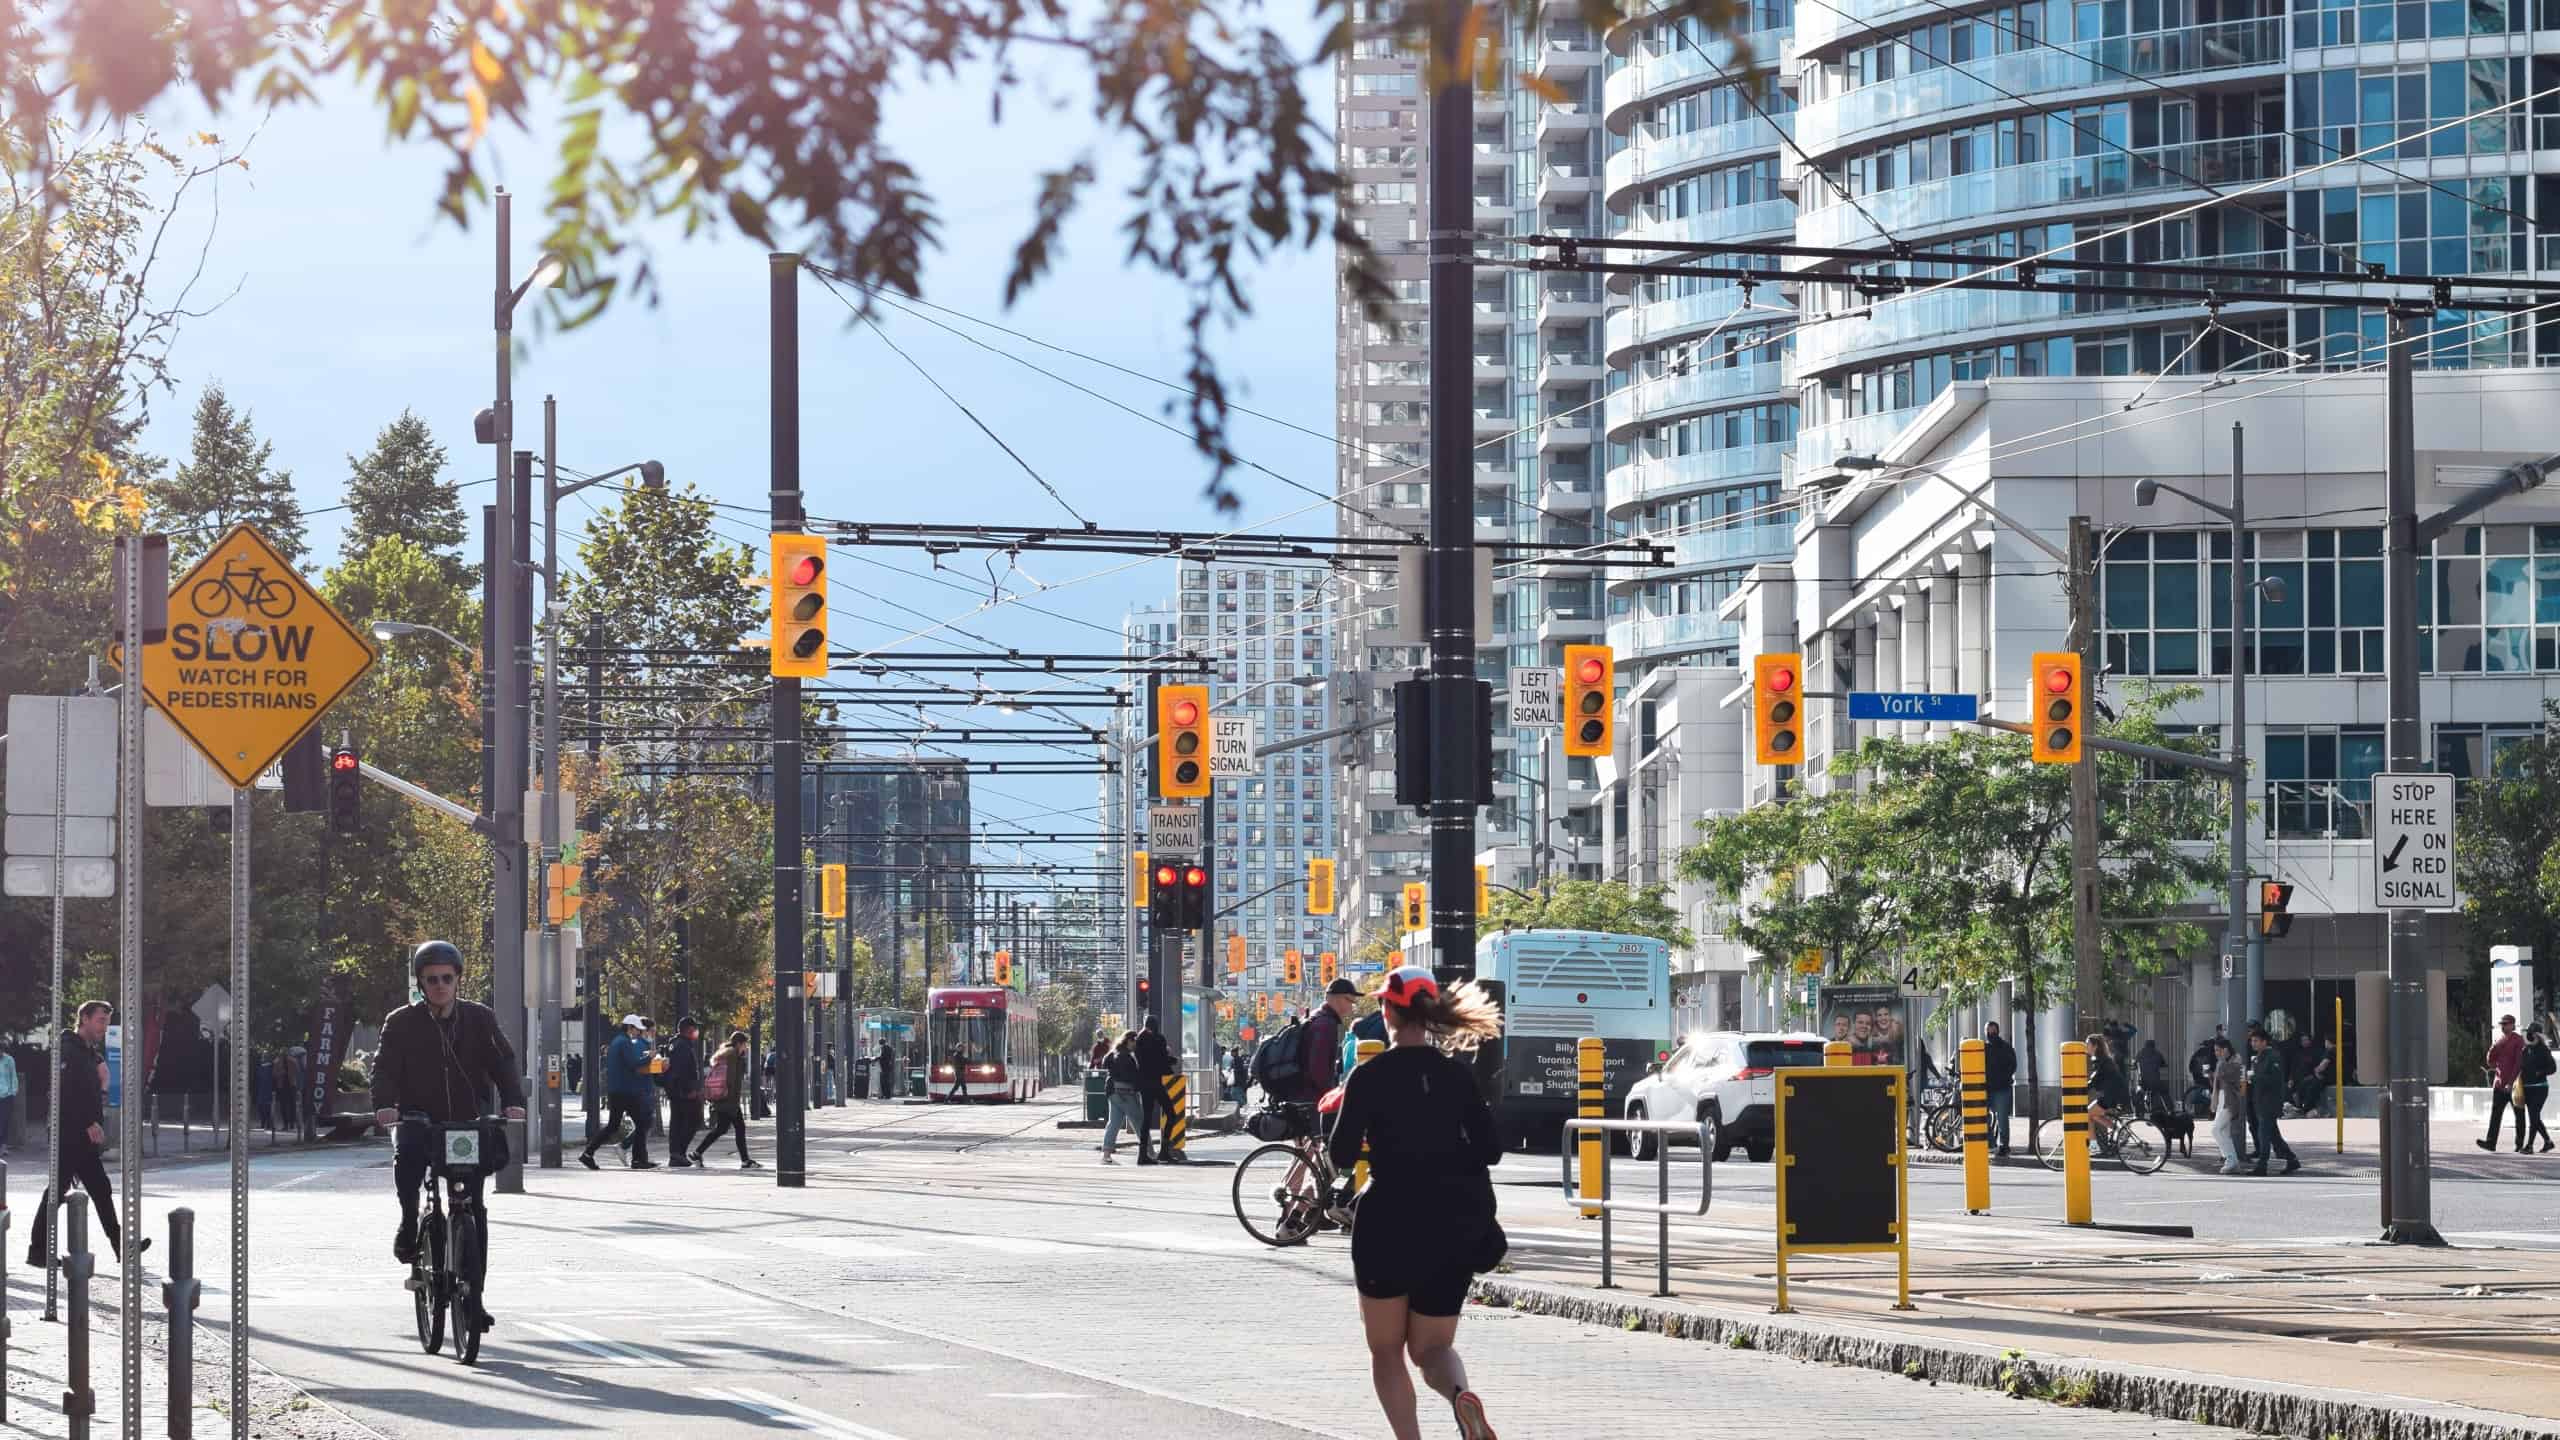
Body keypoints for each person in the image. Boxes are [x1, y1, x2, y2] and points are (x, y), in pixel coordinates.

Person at [1326, 966, 1505, 1440]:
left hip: (1388, 1219)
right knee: (1431, 1350)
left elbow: (1340, 1154)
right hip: (1451, 1223)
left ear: (1387, 1010)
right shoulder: (1457, 1076)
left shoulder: (1369, 1075)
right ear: (1430, 1015)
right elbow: (1491, 1150)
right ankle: (1461, 1395)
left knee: (1387, 1351)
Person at [370, 941, 525, 1329]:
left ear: (458, 979)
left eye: (446, 978)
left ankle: (476, 1297)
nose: (440, 985)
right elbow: (384, 1067)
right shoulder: (401, 1022)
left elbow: (503, 1062)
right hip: (419, 1121)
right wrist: (386, 1104)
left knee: (473, 1207)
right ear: (421, 984)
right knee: (407, 1162)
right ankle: (409, 1221)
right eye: (431, 980)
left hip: (465, 1124)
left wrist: (512, 1100)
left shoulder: (479, 1018)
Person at [28, 1000, 149, 1266]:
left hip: (82, 1135)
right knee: (57, 1192)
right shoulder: (68, 1049)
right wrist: (88, 1122)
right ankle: (37, 1251)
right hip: (69, 1132)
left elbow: (91, 1087)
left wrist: (103, 1087)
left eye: (107, 1021)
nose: (104, 1027)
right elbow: (63, 1093)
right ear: (84, 1018)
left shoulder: (87, 1052)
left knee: (100, 1189)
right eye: (100, 1020)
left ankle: (122, 1247)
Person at [580, 1014, 657, 1170]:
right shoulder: (625, 1042)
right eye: (637, 1029)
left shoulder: (617, 1041)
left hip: (617, 1089)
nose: (638, 1032)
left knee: (613, 1125)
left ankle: (588, 1153)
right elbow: (633, 1064)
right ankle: (638, 1160)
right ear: (630, 1027)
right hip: (627, 1090)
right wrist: (650, 1057)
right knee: (642, 1123)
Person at [690, 1030, 760, 1168]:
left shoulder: (724, 1054)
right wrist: (733, 1100)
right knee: (737, 1128)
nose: (746, 1048)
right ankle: (745, 1160)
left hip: (722, 1097)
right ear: (739, 1044)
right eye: (745, 1044)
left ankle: (697, 1153)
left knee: (722, 1129)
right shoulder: (733, 1055)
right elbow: (731, 1079)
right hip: (729, 1099)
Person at [2247, 1024, 2299, 1175]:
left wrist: (2255, 1077)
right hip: (2260, 1101)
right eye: (2252, 1041)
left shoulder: (2273, 1056)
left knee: (2264, 1133)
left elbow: (2275, 1079)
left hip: (2270, 1102)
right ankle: (2292, 1159)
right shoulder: (2257, 1058)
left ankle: (2262, 1165)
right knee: (2273, 1136)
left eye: (2256, 1041)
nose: (2253, 1044)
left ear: (2264, 1042)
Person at [1303, 978, 1357, 1103]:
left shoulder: (1318, 1017)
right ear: (1335, 999)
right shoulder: (1326, 1025)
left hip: (1305, 1096)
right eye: (1349, 1000)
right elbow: (1319, 1069)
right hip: (1312, 1100)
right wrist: (1330, 1097)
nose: (1352, 1006)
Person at [2479, 1014, 2526, 1152]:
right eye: (2502, 1024)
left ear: (2512, 1025)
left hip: (2514, 1085)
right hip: (2499, 1084)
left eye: (2505, 1024)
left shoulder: (2518, 1040)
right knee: (2495, 1114)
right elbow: (2490, 1062)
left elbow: (2518, 1063)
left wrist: (2511, 1083)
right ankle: (2490, 1142)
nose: (2503, 1026)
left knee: (2519, 1114)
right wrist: (2494, 1047)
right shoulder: (2499, 1040)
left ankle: (2519, 1144)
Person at [1134, 1015, 1180, 1160]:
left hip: (1144, 1083)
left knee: (1146, 1118)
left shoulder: (1139, 1040)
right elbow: (1161, 1060)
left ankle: (1142, 1154)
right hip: (1155, 1082)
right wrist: (1173, 1059)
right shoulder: (1158, 1039)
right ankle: (1164, 1151)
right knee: (1171, 1114)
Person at [665, 1017, 705, 1169]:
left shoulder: (676, 1044)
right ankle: (677, 1153)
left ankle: (677, 1154)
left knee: (679, 1122)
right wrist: (688, 1091)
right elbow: (681, 1072)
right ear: (689, 1030)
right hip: (683, 1092)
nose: (696, 1032)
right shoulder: (682, 1046)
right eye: (695, 1029)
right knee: (693, 1120)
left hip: (677, 1091)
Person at [1100, 1031, 1145, 1164]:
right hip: (1126, 1093)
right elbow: (1132, 1077)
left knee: (1113, 1123)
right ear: (1129, 1041)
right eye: (1135, 1042)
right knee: (1139, 1121)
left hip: (1112, 1092)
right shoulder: (1127, 1057)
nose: (1135, 1045)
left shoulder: (1113, 1053)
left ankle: (1106, 1154)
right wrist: (1139, 1087)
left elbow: (1105, 1064)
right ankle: (1148, 1152)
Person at [2209, 1036, 2247, 1175]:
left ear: (2225, 1049)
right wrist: (2214, 1100)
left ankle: (2230, 1159)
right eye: (2215, 1050)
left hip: (2230, 1101)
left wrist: (2220, 1067)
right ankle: (2233, 1161)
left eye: (2218, 1050)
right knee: (2223, 1131)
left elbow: (2236, 1081)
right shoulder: (2224, 1062)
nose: (2216, 1053)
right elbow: (2217, 1084)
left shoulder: (2235, 1062)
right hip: (2222, 1099)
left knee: (2216, 1129)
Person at [1981, 1021, 2017, 1157]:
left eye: (1993, 1030)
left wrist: (2003, 1078)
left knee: (2002, 1118)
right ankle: (1991, 1142)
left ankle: (2004, 1146)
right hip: (1985, 1088)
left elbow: (2013, 1065)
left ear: (1998, 1031)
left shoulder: (2005, 1047)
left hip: (2002, 1088)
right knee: (1981, 1116)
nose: (1991, 1033)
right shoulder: (1982, 1048)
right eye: (1988, 1030)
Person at [2085, 1033, 2128, 1141]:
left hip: (2111, 1095)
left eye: (2087, 1044)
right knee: (2094, 1115)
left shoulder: (2100, 1060)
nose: (2086, 1047)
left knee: (2086, 1115)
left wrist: (2080, 1090)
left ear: (2095, 1046)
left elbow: (2095, 1080)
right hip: (2115, 1093)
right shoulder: (2103, 1058)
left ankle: (2094, 1146)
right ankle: (2122, 1132)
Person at [2519, 1025, 2555, 1154]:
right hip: (2527, 1089)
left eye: (2532, 1033)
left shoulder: (2544, 1050)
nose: (2529, 1035)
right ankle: (2548, 1142)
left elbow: (2553, 1069)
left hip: (2540, 1088)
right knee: (2535, 1118)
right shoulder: (2525, 1050)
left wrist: (2540, 1072)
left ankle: (2529, 1146)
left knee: (2533, 1116)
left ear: (2538, 1035)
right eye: (2528, 1032)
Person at [2134, 1039, 2168, 1113]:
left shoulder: (2140, 1053)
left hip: (2143, 1081)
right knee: (2164, 1092)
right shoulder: (2157, 1053)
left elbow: (2135, 1065)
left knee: (2139, 1092)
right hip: (2155, 1081)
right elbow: (2164, 1064)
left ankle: (2138, 1110)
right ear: (2154, 1046)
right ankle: (2169, 1109)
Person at [2188, 1025, 2224, 1092]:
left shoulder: (2210, 1043)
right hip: (2201, 1069)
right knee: (2210, 1086)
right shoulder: (2217, 1041)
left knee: (2203, 1087)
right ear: (2219, 1031)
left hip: (2197, 1069)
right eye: (2223, 1030)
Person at [0, 1042, 16, 1152]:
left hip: (6, 1095)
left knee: (4, 1121)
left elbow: (13, 1076)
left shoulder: (9, 1060)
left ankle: (3, 1146)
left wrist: (13, 1092)